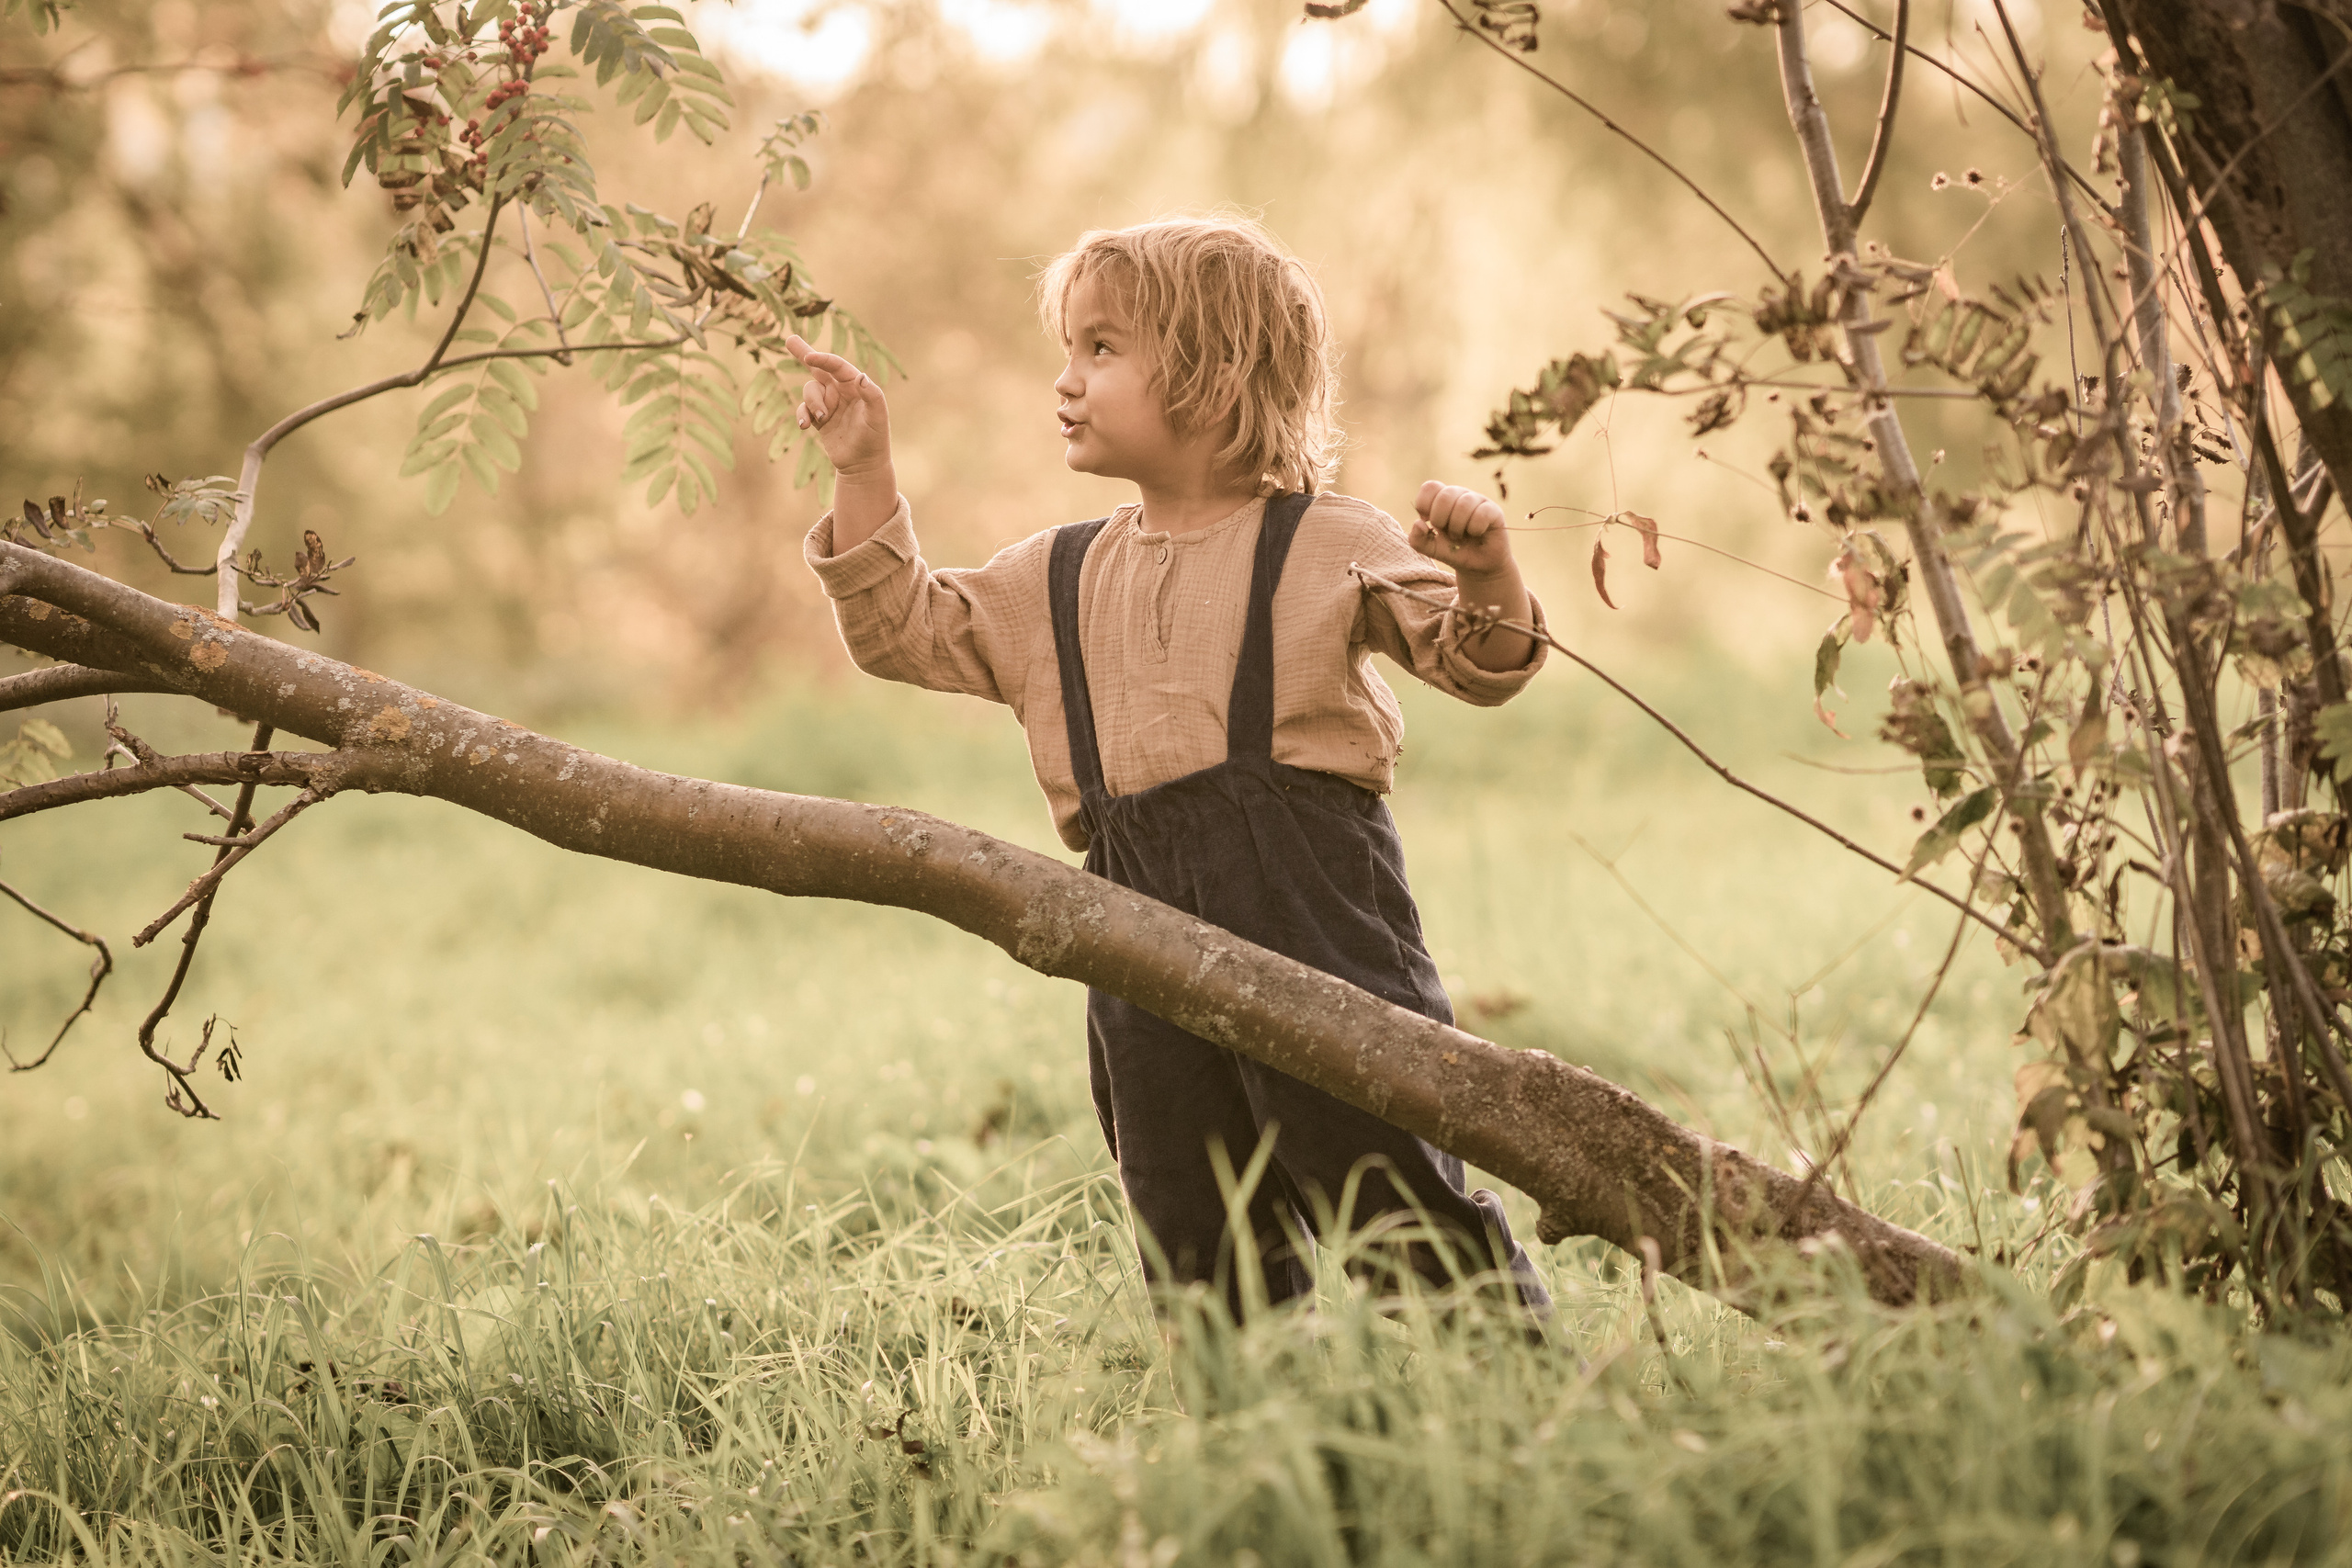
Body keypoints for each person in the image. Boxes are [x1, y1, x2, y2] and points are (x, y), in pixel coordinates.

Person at [787, 215, 1551, 1318]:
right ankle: (1246, 1440)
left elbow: (1479, 663)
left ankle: (1506, 1410)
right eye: (1068, 351)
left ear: (1212, 373)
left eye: (1102, 350)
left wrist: (1488, 577)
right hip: (1130, 923)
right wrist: (864, 469)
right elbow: (901, 628)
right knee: (1190, 1217)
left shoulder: (1329, 542)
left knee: (1382, 1181)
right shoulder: (1051, 574)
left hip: (1313, 909)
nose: (1066, 381)